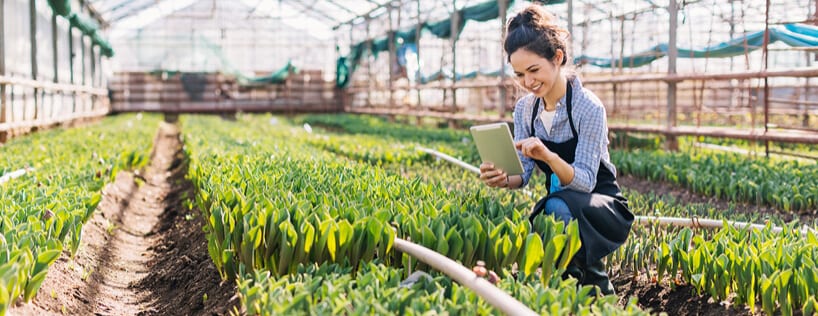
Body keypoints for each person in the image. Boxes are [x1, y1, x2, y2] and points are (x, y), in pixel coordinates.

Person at [479, 5, 634, 296]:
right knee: (550, 211)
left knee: (555, 208)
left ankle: (594, 290)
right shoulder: (526, 109)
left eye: (534, 70)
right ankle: (575, 293)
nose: (528, 82)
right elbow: (522, 175)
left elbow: (586, 183)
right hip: (563, 202)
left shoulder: (588, 107)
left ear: (558, 58)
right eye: (520, 74)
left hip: (601, 204)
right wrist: (501, 177)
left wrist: (549, 156)